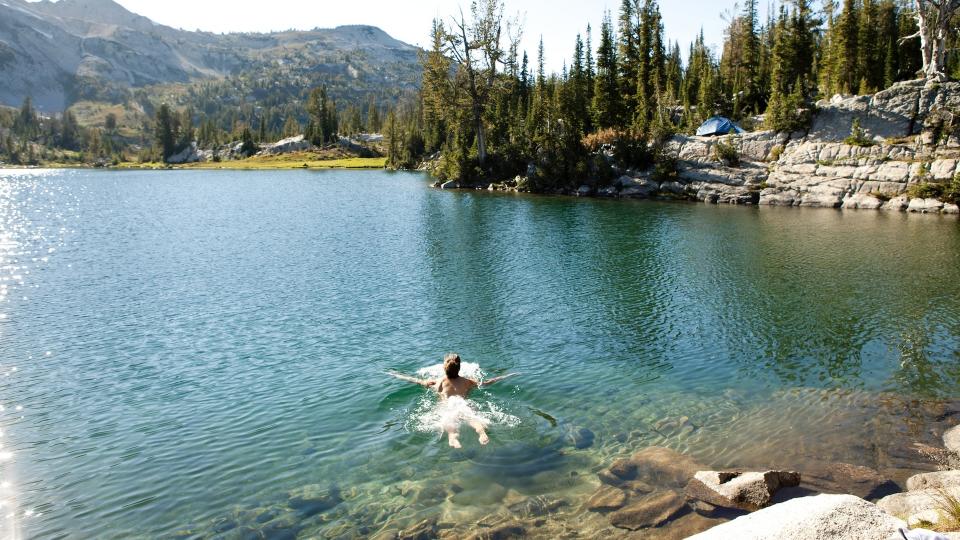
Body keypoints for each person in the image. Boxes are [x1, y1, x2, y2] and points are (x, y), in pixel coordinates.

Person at [389, 353, 519, 448]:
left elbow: (417, 381)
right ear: (459, 368)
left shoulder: (438, 382)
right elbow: (486, 382)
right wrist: (506, 376)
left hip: (448, 406)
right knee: (473, 418)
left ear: (444, 368)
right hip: (463, 405)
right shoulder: (468, 381)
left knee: (449, 423)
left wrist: (399, 375)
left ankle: (452, 438)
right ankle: (481, 432)